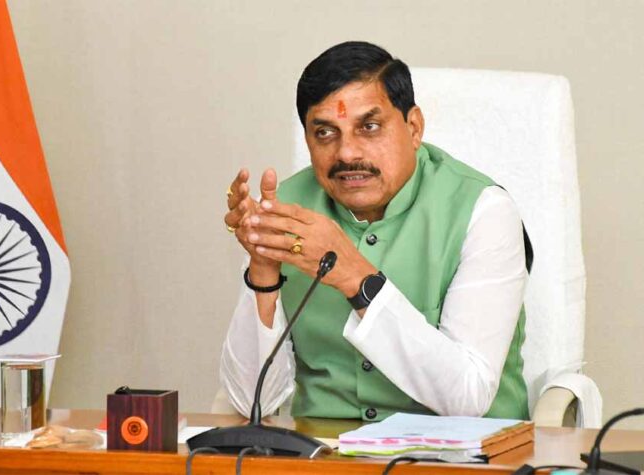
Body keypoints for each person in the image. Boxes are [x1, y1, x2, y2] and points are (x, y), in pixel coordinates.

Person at [221, 41, 531, 421]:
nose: (347, 153)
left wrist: (354, 276)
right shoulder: (286, 213)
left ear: (413, 128)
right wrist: (263, 270)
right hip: (325, 450)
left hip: (465, 450)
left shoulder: (482, 211)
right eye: (325, 133)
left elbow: (468, 397)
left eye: (369, 127)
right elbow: (251, 403)